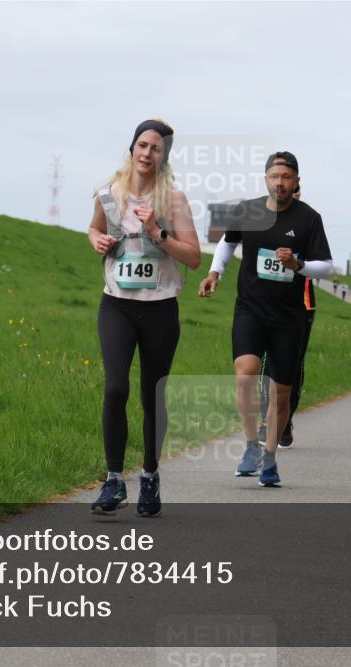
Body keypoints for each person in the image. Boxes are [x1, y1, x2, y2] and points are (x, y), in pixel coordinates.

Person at [87, 119, 201, 516]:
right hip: (116, 304)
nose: (148, 153)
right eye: (142, 145)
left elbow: (193, 257)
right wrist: (96, 240)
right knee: (116, 388)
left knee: (153, 396)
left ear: (164, 157)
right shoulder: (107, 193)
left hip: (160, 308)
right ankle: (114, 480)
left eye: (156, 148)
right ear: (132, 148)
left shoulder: (175, 201)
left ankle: (150, 476)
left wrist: (157, 231)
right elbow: (93, 230)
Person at [199, 151, 333, 487]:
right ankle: (250, 448)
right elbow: (228, 244)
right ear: (266, 180)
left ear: (297, 181)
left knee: (281, 393)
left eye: (286, 177)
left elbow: (326, 266)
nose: (280, 183)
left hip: (289, 317)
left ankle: (270, 458)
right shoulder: (249, 210)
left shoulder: (309, 219)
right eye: (274, 177)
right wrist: (215, 272)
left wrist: (298, 265)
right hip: (251, 309)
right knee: (244, 375)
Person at [256, 184, 316, 449]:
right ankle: (266, 421)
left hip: (301, 304)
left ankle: (286, 419)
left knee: (292, 365)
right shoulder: (264, 219)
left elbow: (320, 265)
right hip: (266, 302)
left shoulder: (307, 222)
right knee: (266, 363)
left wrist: (298, 261)